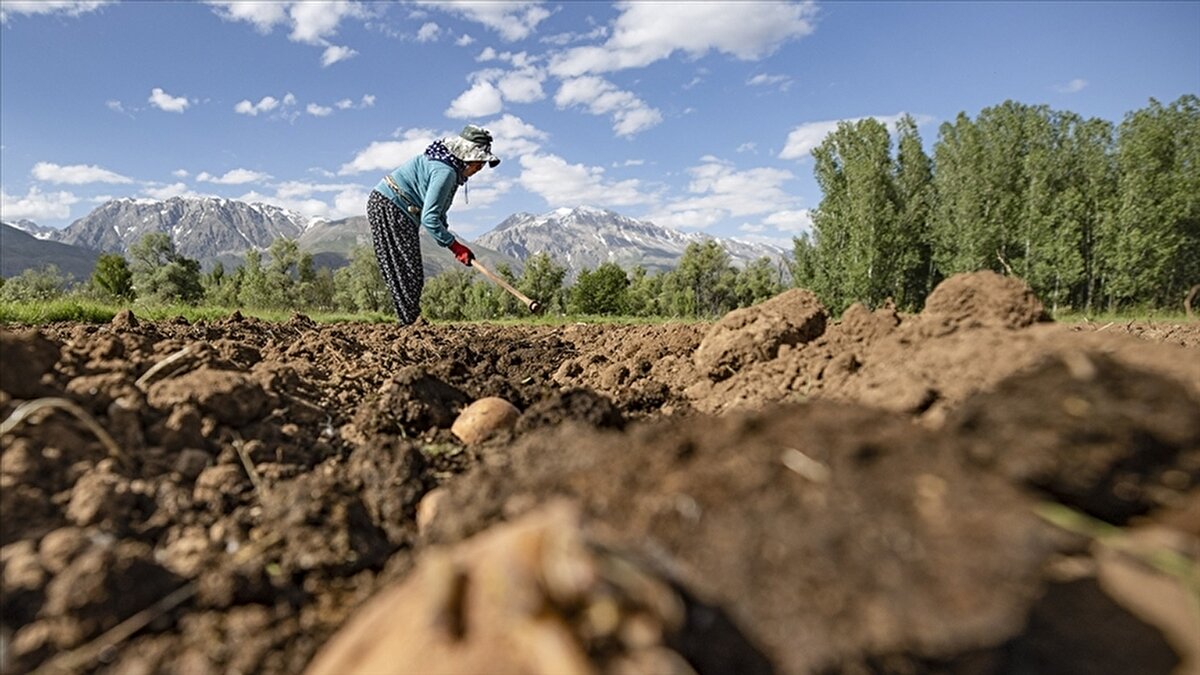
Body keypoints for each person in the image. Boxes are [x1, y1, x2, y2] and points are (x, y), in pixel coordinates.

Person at [367, 124, 500, 325]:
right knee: (408, 273)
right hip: (391, 206)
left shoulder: (450, 169)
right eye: (478, 162)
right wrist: (455, 246)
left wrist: (454, 244)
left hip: (399, 208)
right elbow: (429, 219)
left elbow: (438, 212)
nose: (479, 168)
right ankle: (409, 325)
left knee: (410, 273)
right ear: (466, 156)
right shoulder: (445, 172)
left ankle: (409, 322)